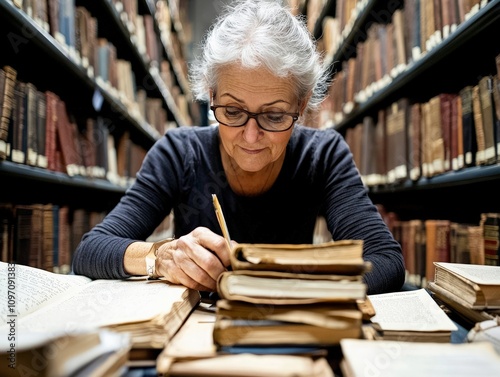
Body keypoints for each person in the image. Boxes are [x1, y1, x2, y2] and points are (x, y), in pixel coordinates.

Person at [72, 0, 405, 295]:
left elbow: (386, 261)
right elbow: (91, 251)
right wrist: (160, 257)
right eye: (232, 112)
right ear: (212, 96)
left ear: (301, 106)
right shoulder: (179, 152)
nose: (249, 136)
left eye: (274, 116)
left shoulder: (322, 155)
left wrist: (295, 285)